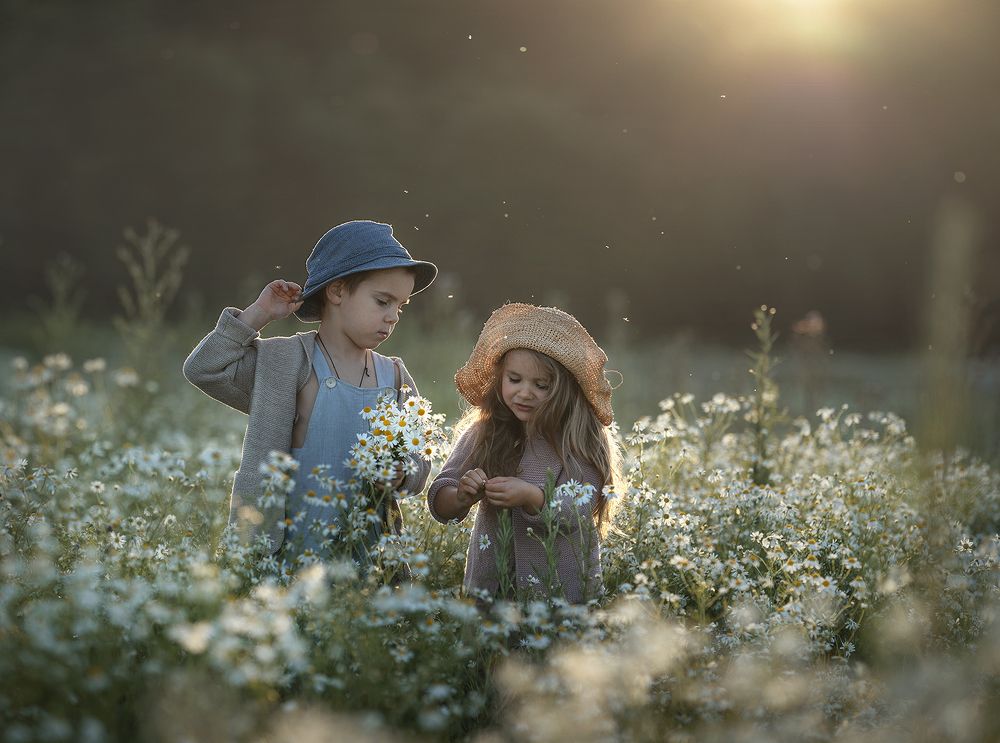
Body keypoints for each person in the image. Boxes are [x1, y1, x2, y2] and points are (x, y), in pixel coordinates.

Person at [183, 220, 437, 568]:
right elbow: (205, 369)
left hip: (367, 560)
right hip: (287, 558)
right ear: (336, 291)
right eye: (382, 301)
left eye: (401, 307)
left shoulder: (392, 375)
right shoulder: (285, 362)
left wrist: (401, 473)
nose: (393, 316)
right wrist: (258, 315)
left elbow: (419, 458)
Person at [427, 303, 621, 604]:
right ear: (500, 377)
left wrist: (533, 497)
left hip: (558, 595)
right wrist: (462, 495)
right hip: (492, 591)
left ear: (566, 389)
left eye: (541, 385)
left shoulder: (579, 440)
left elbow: (578, 510)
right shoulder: (484, 431)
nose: (525, 393)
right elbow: (441, 496)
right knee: (491, 651)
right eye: (514, 380)